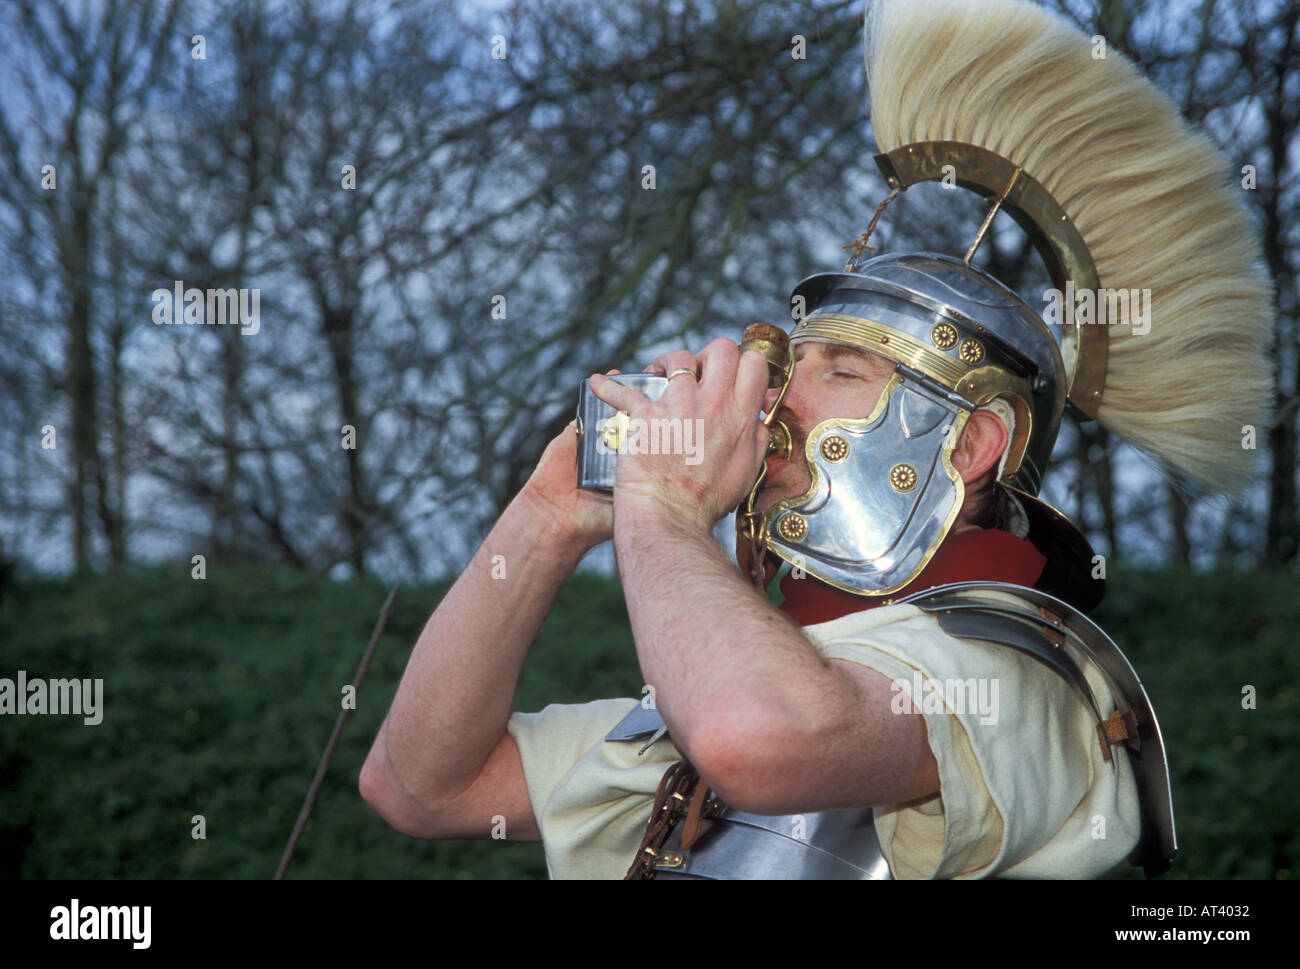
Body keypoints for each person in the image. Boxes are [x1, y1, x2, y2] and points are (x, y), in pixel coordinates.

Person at [359, 0, 1271, 879]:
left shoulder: (1015, 673)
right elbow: (421, 787)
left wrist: (666, 512)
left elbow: (756, 738)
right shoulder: (752, 661)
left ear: (968, 445)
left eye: (839, 372)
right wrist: (546, 517)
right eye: (790, 366)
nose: (780, 398)